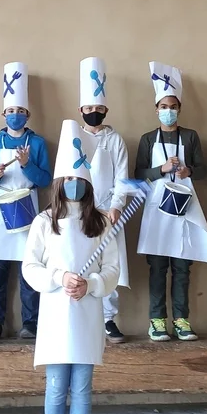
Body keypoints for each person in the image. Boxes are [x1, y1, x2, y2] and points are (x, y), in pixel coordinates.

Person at [23, 120, 121, 414]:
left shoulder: (100, 223)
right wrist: (59, 277)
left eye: (78, 179)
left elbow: (112, 268)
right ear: (58, 182)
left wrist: (90, 284)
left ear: (87, 183)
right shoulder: (44, 221)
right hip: (55, 312)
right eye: (67, 178)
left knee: (82, 387)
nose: (73, 183)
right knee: (55, 386)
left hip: (87, 313)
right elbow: (30, 266)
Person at [134, 61, 207, 342]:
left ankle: (181, 319)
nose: (168, 111)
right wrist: (162, 170)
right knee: (158, 267)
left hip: (184, 208)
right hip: (156, 209)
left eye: (173, 106)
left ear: (179, 109)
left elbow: (204, 170)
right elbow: (139, 174)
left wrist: (188, 171)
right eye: (163, 106)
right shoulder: (147, 139)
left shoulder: (190, 137)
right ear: (156, 109)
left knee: (182, 267)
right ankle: (157, 320)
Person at [0, 62, 52, 340]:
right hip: (0, 207)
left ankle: (30, 323)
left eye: (20, 111)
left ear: (27, 115)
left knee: (28, 269)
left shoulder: (38, 143)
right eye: (11, 111)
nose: (15, 115)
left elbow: (44, 180)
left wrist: (26, 164)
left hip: (27, 205)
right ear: (3, 114)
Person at [78, 57, 131, 344]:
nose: (94, 113)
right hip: (80, 211)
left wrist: (116, 206)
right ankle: (84, 319)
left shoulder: (115, 140)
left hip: (109, 212)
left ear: (105, 110)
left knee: (110, 264)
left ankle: (109, 318)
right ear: (81, 111)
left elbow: (122, 176)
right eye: (89, 109)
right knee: (81, 262)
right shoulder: (73, 137)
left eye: (98, 109)